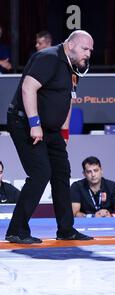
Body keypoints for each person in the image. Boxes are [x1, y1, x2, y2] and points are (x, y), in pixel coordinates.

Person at [5, 30, 94, 244]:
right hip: (25, 123)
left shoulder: (74, 68)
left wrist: (64, 132)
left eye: (91, 50)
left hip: (52, 130)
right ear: (70, 45)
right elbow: (28, 88)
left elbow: (67, 101)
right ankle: (16, 230)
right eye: (85, 49)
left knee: (61, 173)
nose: (88, 54)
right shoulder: (48, 58)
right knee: (40, 172)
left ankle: (66, 229)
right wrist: (34, 124)